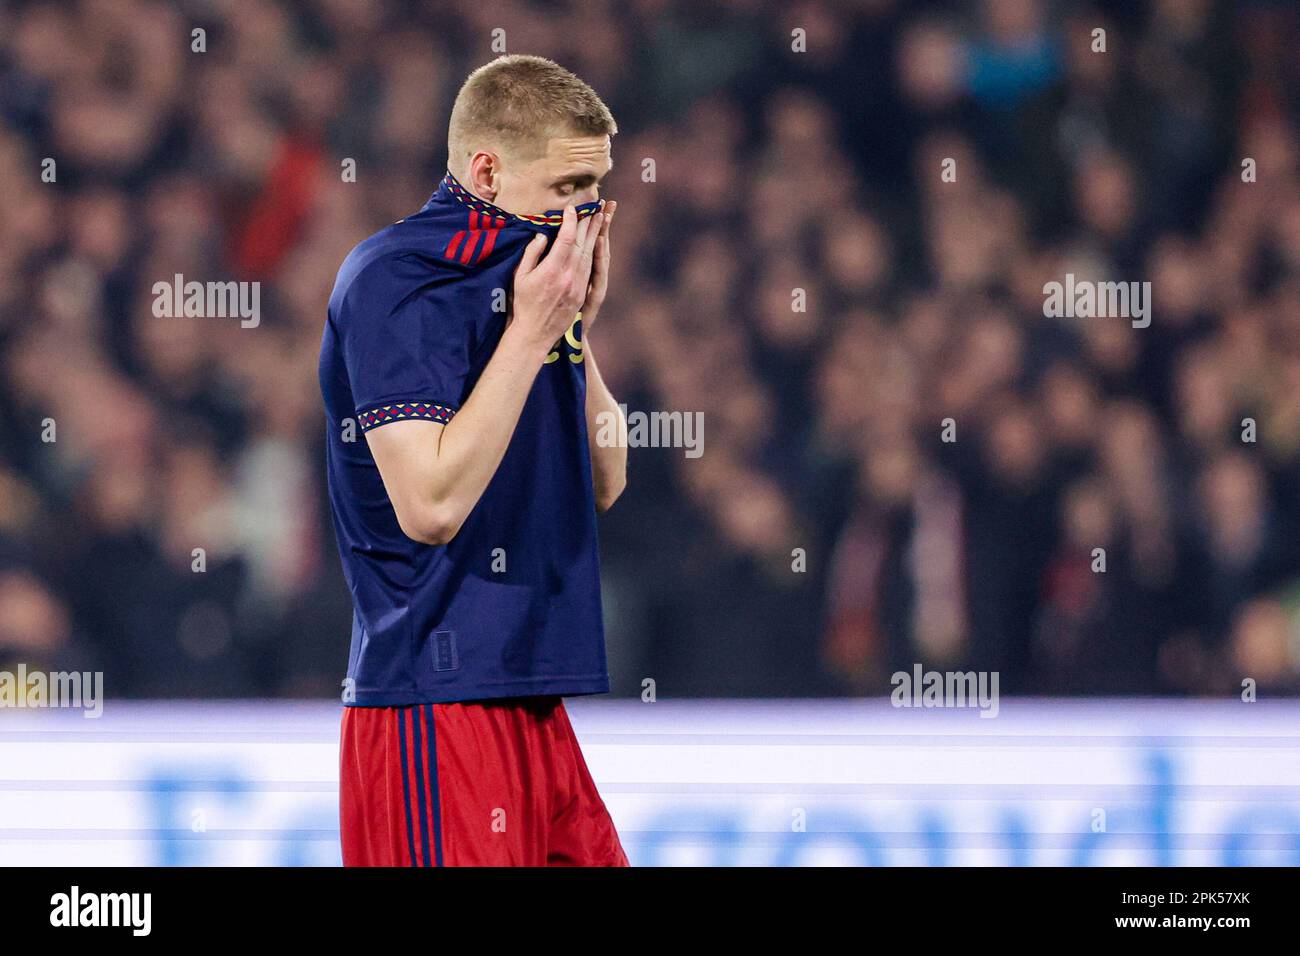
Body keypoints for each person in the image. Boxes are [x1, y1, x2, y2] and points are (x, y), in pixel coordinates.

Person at [319, 54, 628, 866]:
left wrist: (574, 330)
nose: (585, 214)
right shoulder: (397, 280)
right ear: (486, 171)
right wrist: (531, 332)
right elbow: (431, 505)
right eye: (565, 190)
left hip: (532, 699)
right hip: (433, 701)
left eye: (595, 187)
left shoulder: (532, 288)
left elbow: (607, 480)